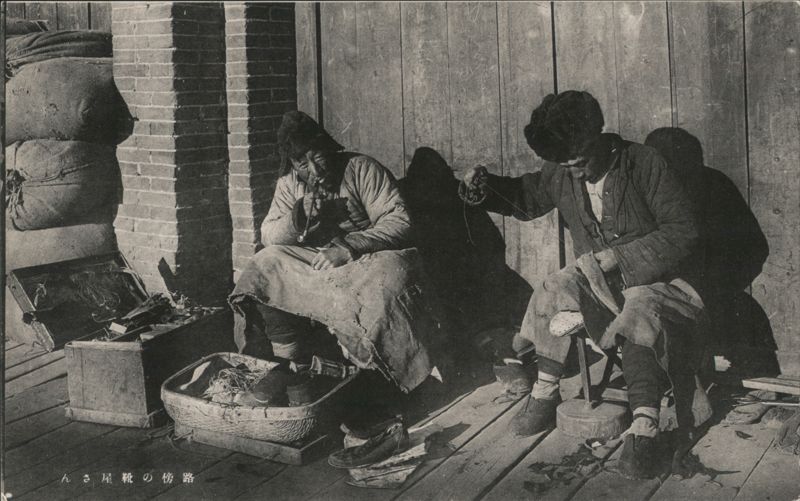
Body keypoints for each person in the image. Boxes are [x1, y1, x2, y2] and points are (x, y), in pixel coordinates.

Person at [461, 91, 706, 479]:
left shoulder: (645, 163)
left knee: (639, 308)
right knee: (554, 287)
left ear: (598, 138)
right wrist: (486, 188)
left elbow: (683, 232)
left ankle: (644, 425)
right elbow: (527, 198)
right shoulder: (561, 171)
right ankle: (544, 391)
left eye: (579, 161)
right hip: (601, 282)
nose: (573, 171)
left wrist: (619, 258)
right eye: (564, 164)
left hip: (663, 285)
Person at [229, 111, 445, 394]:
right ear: (292, 164)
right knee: (265, 263)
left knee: (387, 280)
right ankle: (291, 366)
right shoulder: (289, 183)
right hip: (318, 261)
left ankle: (380, 378)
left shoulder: (361, 168)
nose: (314, 171)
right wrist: (297, 217)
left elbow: (399, 221)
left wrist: (350, 246)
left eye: (317, 156)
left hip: (371, 256)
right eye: (302, 163)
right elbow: (269, 236)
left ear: (328, 148)